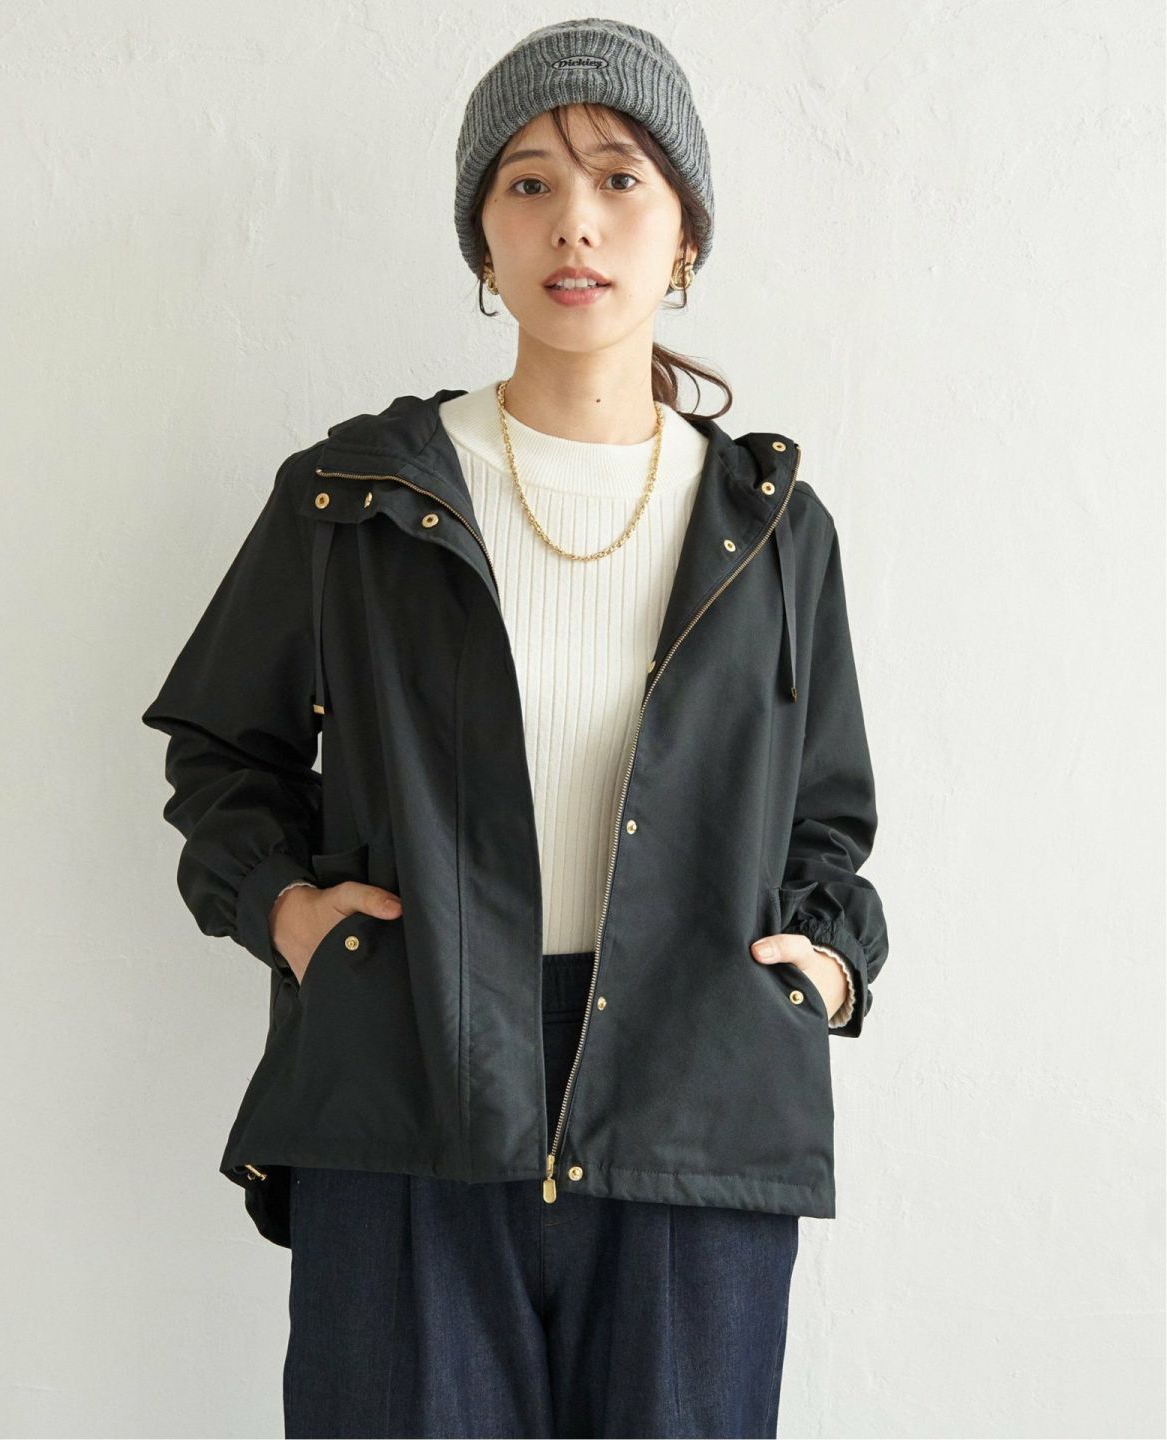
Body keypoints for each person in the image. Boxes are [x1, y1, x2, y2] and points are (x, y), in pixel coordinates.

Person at [141, 18, 889, 1439]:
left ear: (685, 235)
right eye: (528, 183)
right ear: (482, 240)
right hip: (408, 1079)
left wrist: (832, 968)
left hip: (697, 1103)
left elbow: (828, 815)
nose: (575, 223)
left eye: (620, 179)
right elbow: (221, 751)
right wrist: (287, 913)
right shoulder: (354, 499)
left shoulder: (775, 531)